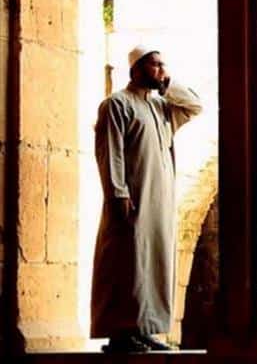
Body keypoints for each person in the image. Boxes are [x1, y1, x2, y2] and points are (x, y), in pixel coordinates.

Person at [91, 45, 202, 353]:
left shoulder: (161, 108)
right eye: (154, 65)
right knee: (128, 264)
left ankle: (146, 328)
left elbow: (195, 106)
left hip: (159, 200)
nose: (161, 70)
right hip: (132, 198)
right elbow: (110, 151)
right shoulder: (117, 104)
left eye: (163, 65)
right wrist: (117, 192)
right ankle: (121, 332)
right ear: (136, 69)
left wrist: (169, 85)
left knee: (154, 264)